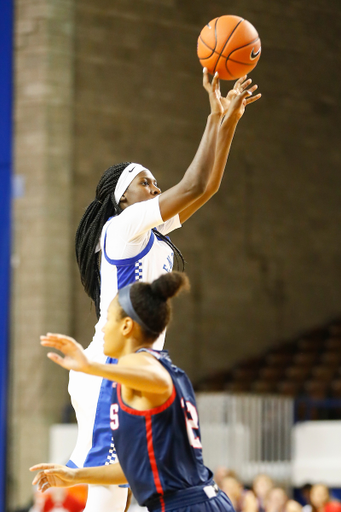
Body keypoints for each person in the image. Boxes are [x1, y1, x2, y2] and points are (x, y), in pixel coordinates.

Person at [66, 70, 261, 512]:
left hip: (142, 362)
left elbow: (206, 187)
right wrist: (216, 121)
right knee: (110, 495)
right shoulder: (122, 228)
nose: (155, 188)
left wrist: (224, 120)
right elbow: (191, 184)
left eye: (155, 183)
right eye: (145, 183)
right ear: (123, 198)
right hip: (108, 365)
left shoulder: (152, 233)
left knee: (136, 482)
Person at [31, 272, 236, 512]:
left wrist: (91, 367)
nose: (104, 328)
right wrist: (75, 476)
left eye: (108, 319)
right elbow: (133, 468)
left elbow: (159, 381)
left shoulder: (139, 363)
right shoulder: (158, 366)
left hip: (187, 505)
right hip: (198, 501)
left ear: (127, 325)